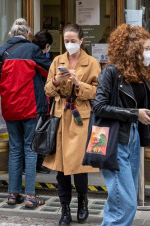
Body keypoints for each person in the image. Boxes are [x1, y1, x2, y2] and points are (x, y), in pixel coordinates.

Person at [93, 24, 150, 226]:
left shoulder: (142, 77)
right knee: (127, 202)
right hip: (113, 140)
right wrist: (133, 114)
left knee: (118, 201)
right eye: (145, 48)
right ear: (132, 50)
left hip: (133, 140)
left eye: (149, 48)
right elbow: (99, 106)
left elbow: (148, 115)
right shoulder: (110, 73)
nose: (149, 53)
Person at [43, 24, 100, 225]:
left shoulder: (91, 62)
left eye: (73, 41)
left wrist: (78, 83)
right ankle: (64, 209)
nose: (69, 44)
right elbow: (47, 91)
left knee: (79, 166)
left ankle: (83, 201)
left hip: (80, 117)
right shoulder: (58, 61)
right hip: (60, 116)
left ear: (81, 41)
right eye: (66, 41)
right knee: (61, 168)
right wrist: (57, 81)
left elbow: (97, 92)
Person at [0, 19, 51, 209]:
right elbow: (48, 70)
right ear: (27, 35)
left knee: (15, 150)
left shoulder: (1, 51)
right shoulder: (33, 50)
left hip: (9, 107)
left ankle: (12, 194)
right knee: (30, 150)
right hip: (30, 106)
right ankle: (31, 196)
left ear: (11, 35)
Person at [31, 30, 53, 174]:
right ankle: (36, 164)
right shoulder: (38, 56)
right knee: (38, 133)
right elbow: (52, 69)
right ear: (46, 45)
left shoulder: (28, 52)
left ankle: (36, 163)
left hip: (28, 101)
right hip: (37, 100)